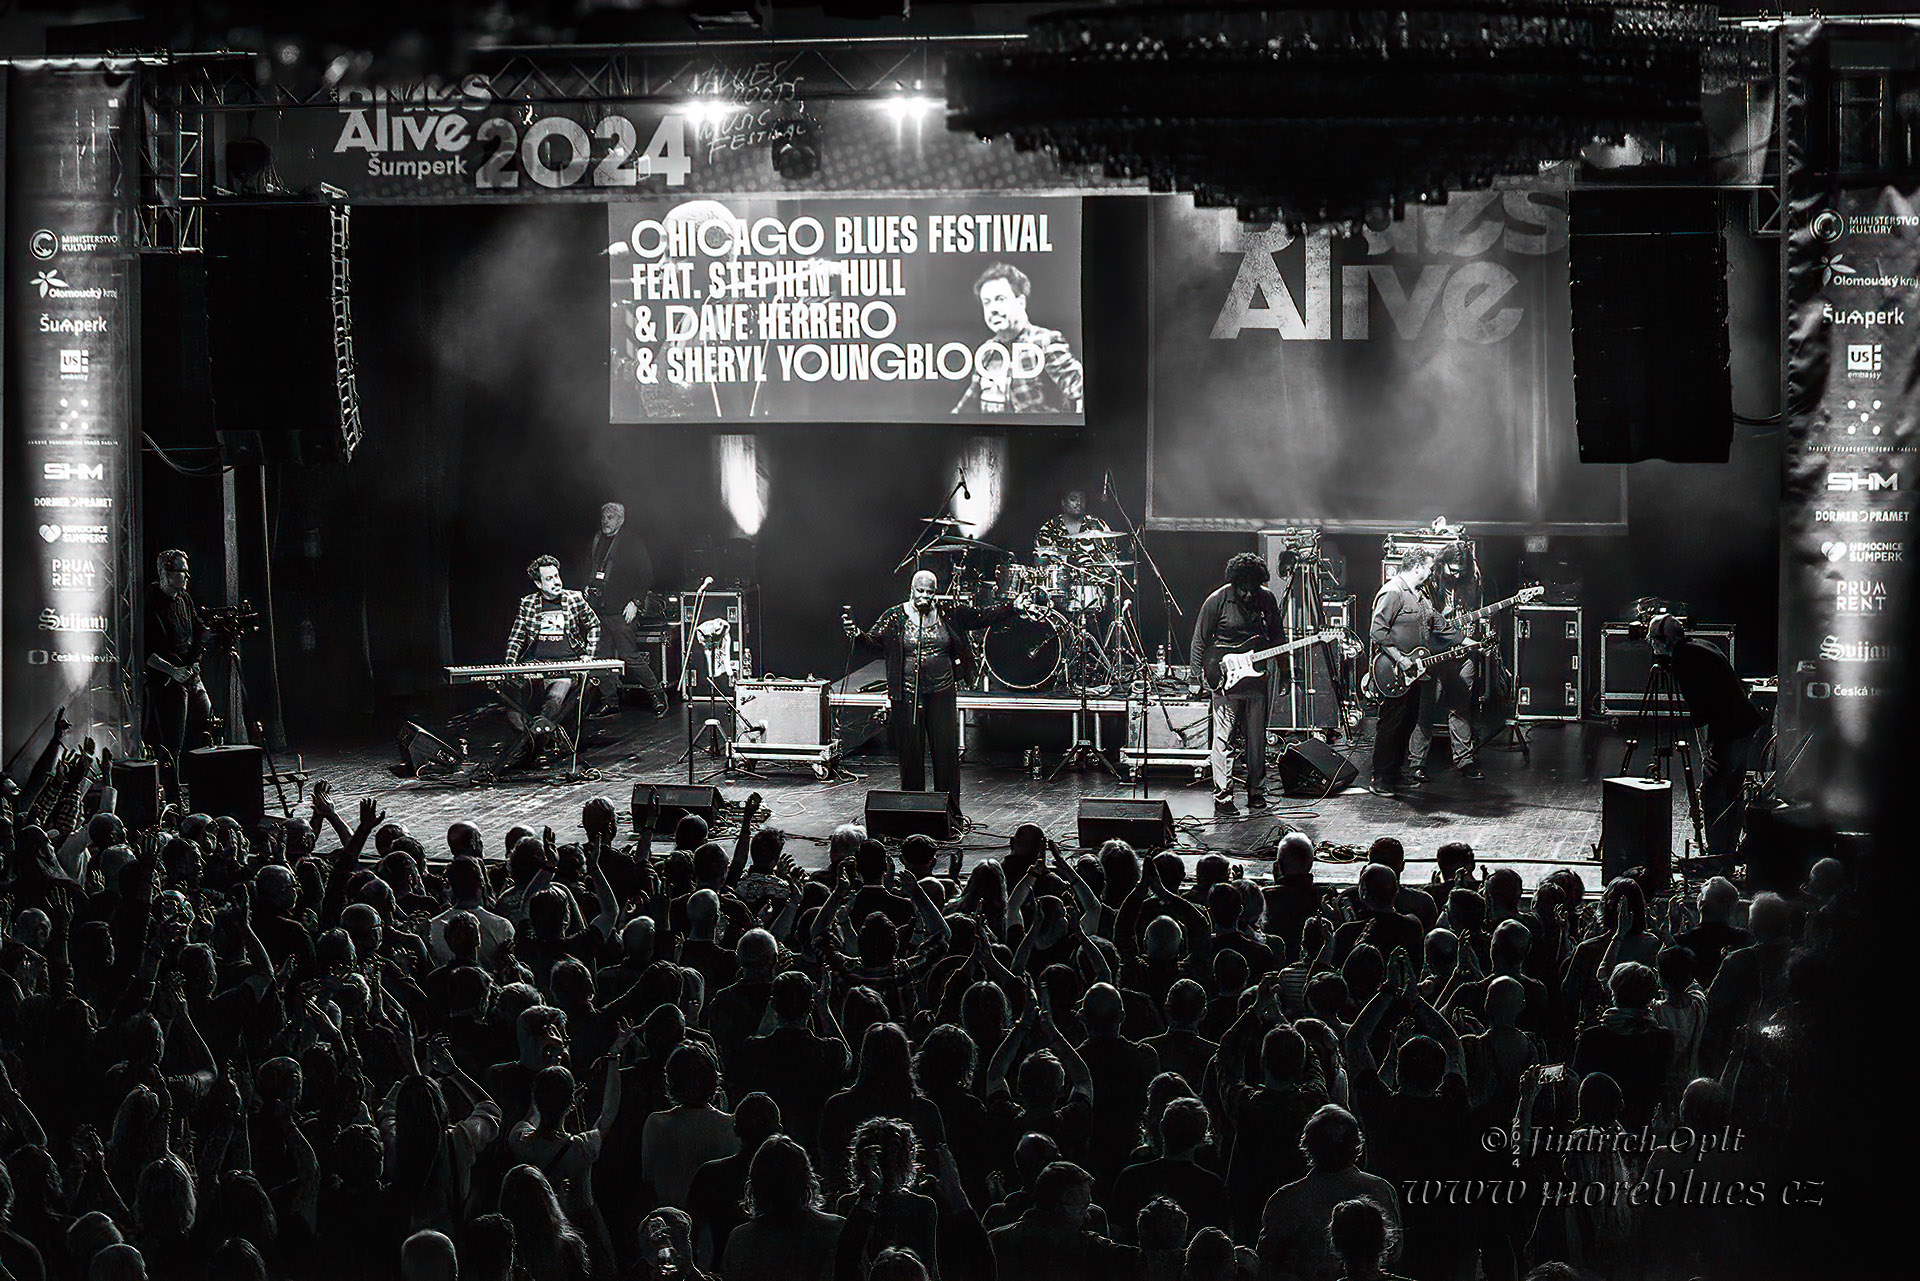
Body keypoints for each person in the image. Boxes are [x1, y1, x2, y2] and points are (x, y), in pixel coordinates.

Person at [844, 570, 1023, 815]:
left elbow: (982, 616)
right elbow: (875, 643)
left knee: (946, 754)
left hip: (942, 691)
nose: (925, 597)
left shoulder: (948, 613)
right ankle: (913, 811)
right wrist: (857, 635)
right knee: (911, 757)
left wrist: (1012, 607)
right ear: (911, 589)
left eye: (930, 592)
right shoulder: (895, 616)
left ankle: (950, 814)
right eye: (921, 591)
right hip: (907, 695)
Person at [1647, 613, 1766, 856]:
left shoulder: (1684, 661)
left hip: (1731, 729)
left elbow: (1700, 714)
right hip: (1740, 724)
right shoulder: (1698, 646)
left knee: (1713, 792)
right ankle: (1729, 851)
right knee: (1730, 788)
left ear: (1664, 640)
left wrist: (1706, 754)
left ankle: (1718, 854)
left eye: (1653, 639)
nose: (1651, 643)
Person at [1368, 546, 1480, 793]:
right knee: (1391, 725)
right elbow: (1377, 631)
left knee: (1407, 722)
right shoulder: (1393, 592)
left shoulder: (1420, 596)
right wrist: (1400, 659)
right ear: (1417, 567)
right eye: (1429, 568)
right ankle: (1380, 778)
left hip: (1415, 672)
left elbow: (1439, 625)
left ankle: (1395, 774)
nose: (1432, 573)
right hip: (1395, 670)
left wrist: (1465, 640)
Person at [1188, 552, 1285, 814]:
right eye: (1243, 589)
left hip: (1256, 682)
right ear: (1234, 584)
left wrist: (1285, 672)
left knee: (1257, 742)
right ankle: (1223, 796)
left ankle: (1256, 793)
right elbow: (1199, 641)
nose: (1248, 595)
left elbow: (1277, 637)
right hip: (1224, 680)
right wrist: (1197, 678)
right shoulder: (1217, 601)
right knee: (1223, 739)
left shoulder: (1266, 599)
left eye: (1252, 588)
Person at [951, 262, 1085, 415]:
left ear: (1021, 302)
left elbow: (1082, 391)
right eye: (986, 303)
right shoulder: (987, 352)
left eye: (1000, 299)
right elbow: (966, 408)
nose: (993, 309)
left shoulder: (1045, 342)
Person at [503, 555, 601, 763]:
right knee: (512, 697)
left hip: (566, 665)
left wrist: (588, 655)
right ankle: (531, 738)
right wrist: (510, 666)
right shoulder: (528, 603)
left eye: (556, 576)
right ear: (538, 583)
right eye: (549, 579)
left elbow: (594, 624)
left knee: (555, 699)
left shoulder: (574, 598)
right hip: (535, 664)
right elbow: (517, 637)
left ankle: (535, 743)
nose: (556, 582)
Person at [583, 501, 668, 718]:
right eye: (603, 516)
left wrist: (636, 602)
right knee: (601, 658)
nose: (605, 521)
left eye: (610, 517)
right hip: (599, 609)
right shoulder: (597, 539)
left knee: (630, 656)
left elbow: (646, 575)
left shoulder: (632, 542)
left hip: (622, 610)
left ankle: (657, 695)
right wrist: (588, 585)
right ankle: (610, 701)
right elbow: (592, 567)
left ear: (620, 519)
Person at [142, 548, 214, 796]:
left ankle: (200, 783)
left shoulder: (184, 599)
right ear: (166, 573)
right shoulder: (150, 603)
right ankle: (172, 795)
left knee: (205, 715)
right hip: (166, 679)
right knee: (172, 741)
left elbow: (197, 630)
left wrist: (196, 659)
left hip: (189, 673)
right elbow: (146, 653)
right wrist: (173, 671)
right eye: (181, 571)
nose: (186, 576)